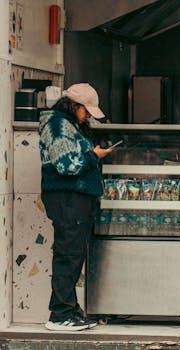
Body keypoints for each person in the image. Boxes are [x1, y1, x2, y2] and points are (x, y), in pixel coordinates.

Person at [39, 83, 112, 331]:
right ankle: (60, 315)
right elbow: (67, 165)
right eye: (87, 110)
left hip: (74, 199)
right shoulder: (57, 125)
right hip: (67, 198)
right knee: (68, 254)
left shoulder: (71, 125)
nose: (89, 115)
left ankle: (69, 310)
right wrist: (95, 156)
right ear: (73, 105)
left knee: (73, 254)